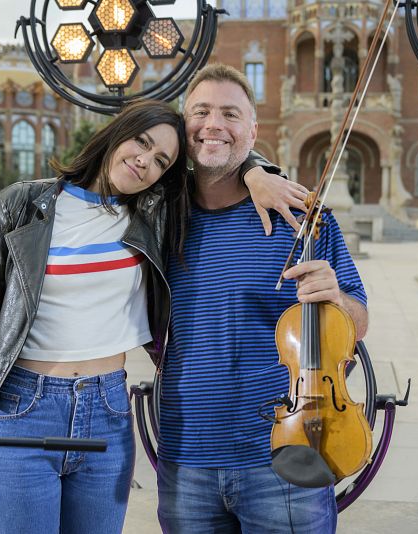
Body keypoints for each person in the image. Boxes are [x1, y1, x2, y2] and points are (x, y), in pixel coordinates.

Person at [0, 99, 292, 534]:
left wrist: (257, 172)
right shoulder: (21, 203)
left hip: (107, 410)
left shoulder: (155, 213)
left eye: (161, 160)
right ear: (118, 133)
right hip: (23, 408)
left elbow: (218, 160)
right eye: (141, 141)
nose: (144, 160)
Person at [156, 64, 369, 533]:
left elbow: (359, 318)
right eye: (201, 111)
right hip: (185, 456)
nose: (213, 124)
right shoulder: (159, 218)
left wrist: (335, 297)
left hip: (287, 452)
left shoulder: (304, 218)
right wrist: (255, 171)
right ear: (183, 127)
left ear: (252, 131)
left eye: (230, 114)